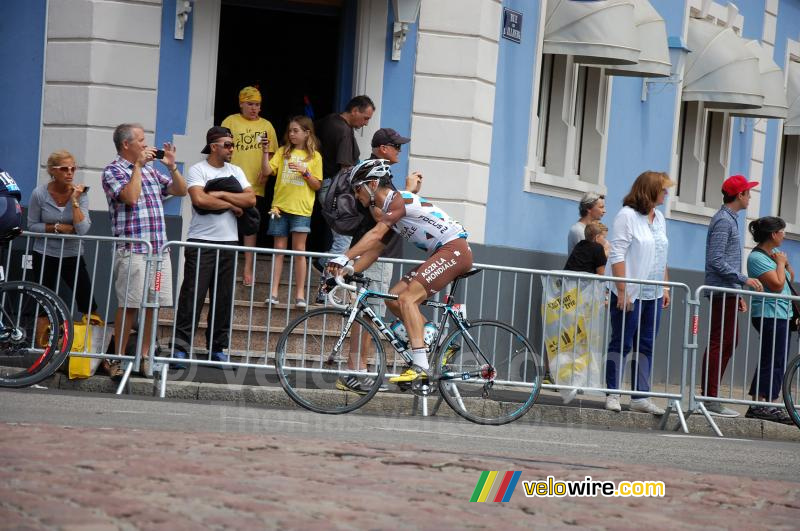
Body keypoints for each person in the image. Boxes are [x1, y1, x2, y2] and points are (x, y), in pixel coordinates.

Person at [327, 159, 472, 386]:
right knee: (395, 298)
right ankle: (437, 343)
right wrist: (347, 271)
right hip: (442, 252)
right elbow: (374, 250)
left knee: (407, 298)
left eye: (357, 189)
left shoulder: (397, 200)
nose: (356, 196)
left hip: (454, 249)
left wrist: (343, 256)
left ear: (372, 184)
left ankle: (421, 364)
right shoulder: (392, 214)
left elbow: (374, 235)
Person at [102, 123, 187, 377]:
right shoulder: (113, 171)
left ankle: (145, 357)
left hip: (159, 252)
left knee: (153, 305)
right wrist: (137, 167)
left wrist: (171, 167)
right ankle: (115, 358)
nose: (145, 143)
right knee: (129, 305)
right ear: (126, 144)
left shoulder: (151, 171)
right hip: (133, 250)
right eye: (140, 139)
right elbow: (129, 197)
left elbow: (180, 191)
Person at [336, 128, 415, 394]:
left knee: (368, 313)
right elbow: (381, 215)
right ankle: (356, 371)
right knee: (370, 315)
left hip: (378, 251)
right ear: (383, 148)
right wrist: (410, 192)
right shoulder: (375, 176)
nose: (399, 151)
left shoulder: (376, 173)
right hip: (377, 253)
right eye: (397, 146)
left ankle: (359, 370)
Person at [171, 126, 256, 368]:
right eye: (227, 144)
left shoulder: (236, 171)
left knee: (224, 299)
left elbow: (250, 199)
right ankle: (180, 349)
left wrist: (218, 195)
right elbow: (199, 199)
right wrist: (231, 204)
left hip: (229, 243)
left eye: (233, 144)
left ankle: (217, 349)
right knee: (192, 296)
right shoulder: (198, 169)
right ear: (213, 146)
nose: (232, 149)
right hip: (201, 242)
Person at [605, 171, 674, 415]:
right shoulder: (627, 216)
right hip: (631, 292)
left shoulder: (660, 218)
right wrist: (622, 289)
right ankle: (613, 393)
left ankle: (640, 395)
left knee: (646, 344)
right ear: (650, 190)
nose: (667, 193)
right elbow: (617, 253)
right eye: (663, 189)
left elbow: (661, 253)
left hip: (652, 293)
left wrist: (665, 286)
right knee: (622, 341)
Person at [700, 175, 764, 417]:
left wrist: (737, 291)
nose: (749, 197)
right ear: (739, 196)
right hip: (721, 290)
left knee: (729, 340)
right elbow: (716, 260)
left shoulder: (728, 220)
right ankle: (710, 398)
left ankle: (710, 395)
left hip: (727, 290)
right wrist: (742, 279)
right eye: (748, 193)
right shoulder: (724, 222)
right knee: (721, 340)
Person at [27, 151, 100, 358]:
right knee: (44, 302)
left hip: (72, 254)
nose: (70, 173)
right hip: (44, 252)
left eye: (73, 168)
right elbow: (32, 225)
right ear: (52, 171)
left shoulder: (81, 193)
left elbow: (83, 228)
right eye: (64, 169)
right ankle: (41, 353)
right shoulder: (39, 194)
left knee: (87, 300)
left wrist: (75, 200)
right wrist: (57, 227)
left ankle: (89, 350)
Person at [313, 95, 375, 300]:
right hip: (335, 189)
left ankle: (323, 265)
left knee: (342, 238)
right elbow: (346, 168)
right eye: (365, 118)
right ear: (354, 110)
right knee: (343, 240)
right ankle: (325, 290)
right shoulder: (344, 131)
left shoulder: (328, 121)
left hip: (324, 185)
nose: (365, 123)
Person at [260, 116, 322, 308]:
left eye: (296, 130)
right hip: (279, 207)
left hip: (302, 209)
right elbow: (266, 171)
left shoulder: (315, 157)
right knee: (278, 250)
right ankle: (273, 292)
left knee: (299, 252)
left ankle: (300, 294)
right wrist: (264, 153)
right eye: (290, 131)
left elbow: (317, 185)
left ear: (307, 133)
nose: (292, 134)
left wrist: (305, 172)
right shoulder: (282, 151)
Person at [221, 86, 279, 287]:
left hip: (255, 185)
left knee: (250, 227)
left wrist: (265, 174)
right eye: (250, 104)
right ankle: (226, 266)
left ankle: (248, 267)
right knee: (227, 224)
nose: (255, 108)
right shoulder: (230, 121)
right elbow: (222, 148)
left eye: (258, 105)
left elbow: (272, 154)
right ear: (241, 104)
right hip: (230, 182)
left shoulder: (267, 125)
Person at [744, 217, 795, 424]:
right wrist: (781, 264)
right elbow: (776, 284)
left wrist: (785, 264)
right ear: (773, 234)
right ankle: (764, 404)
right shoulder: (757, 258)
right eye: (782, 232)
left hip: (782, 314)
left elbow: (788, 278)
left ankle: (765, 402)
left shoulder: (771, 256)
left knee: (777, 360)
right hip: (768, 313)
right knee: (771, 360)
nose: (784, 235)